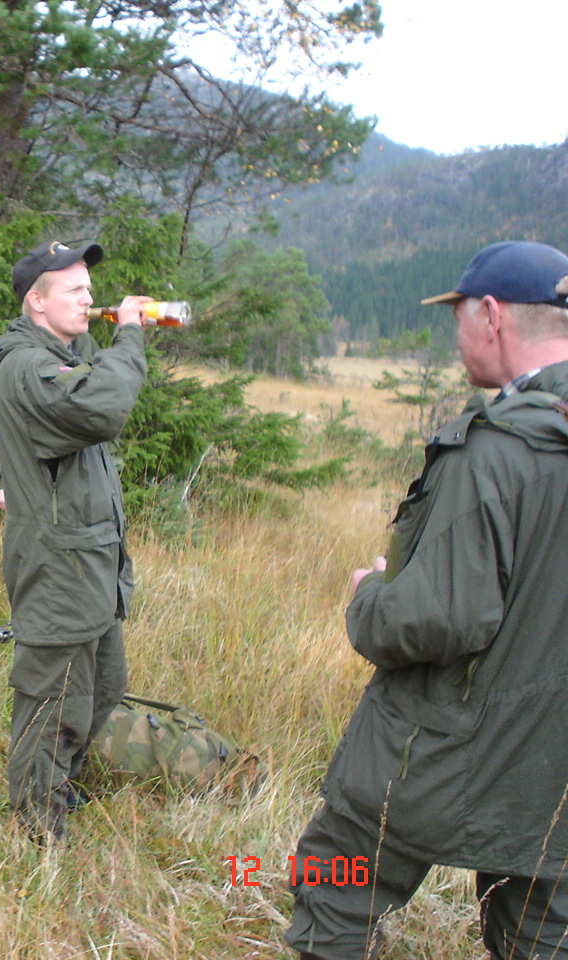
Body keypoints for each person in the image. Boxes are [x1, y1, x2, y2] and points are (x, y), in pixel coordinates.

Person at [286, 241, 568, 960]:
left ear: (492, 316)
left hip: (447, 751)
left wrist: (369, 598)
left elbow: (439, 617)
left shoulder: (496, 453)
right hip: (555, 777)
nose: (458, 332)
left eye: (460, 315)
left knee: (332, 881)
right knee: (541, 933)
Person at [0, 239, 150, 842]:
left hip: (92, 564)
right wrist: (130, 337)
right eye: (74, 290)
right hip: (58, 566)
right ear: (35, 302)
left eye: (89, 288)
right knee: (53, 703)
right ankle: (36, 827)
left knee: (102, 687)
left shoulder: (60, 356)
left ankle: (59, 791)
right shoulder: (29, 364)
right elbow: (103, 407)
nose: (90, 298)